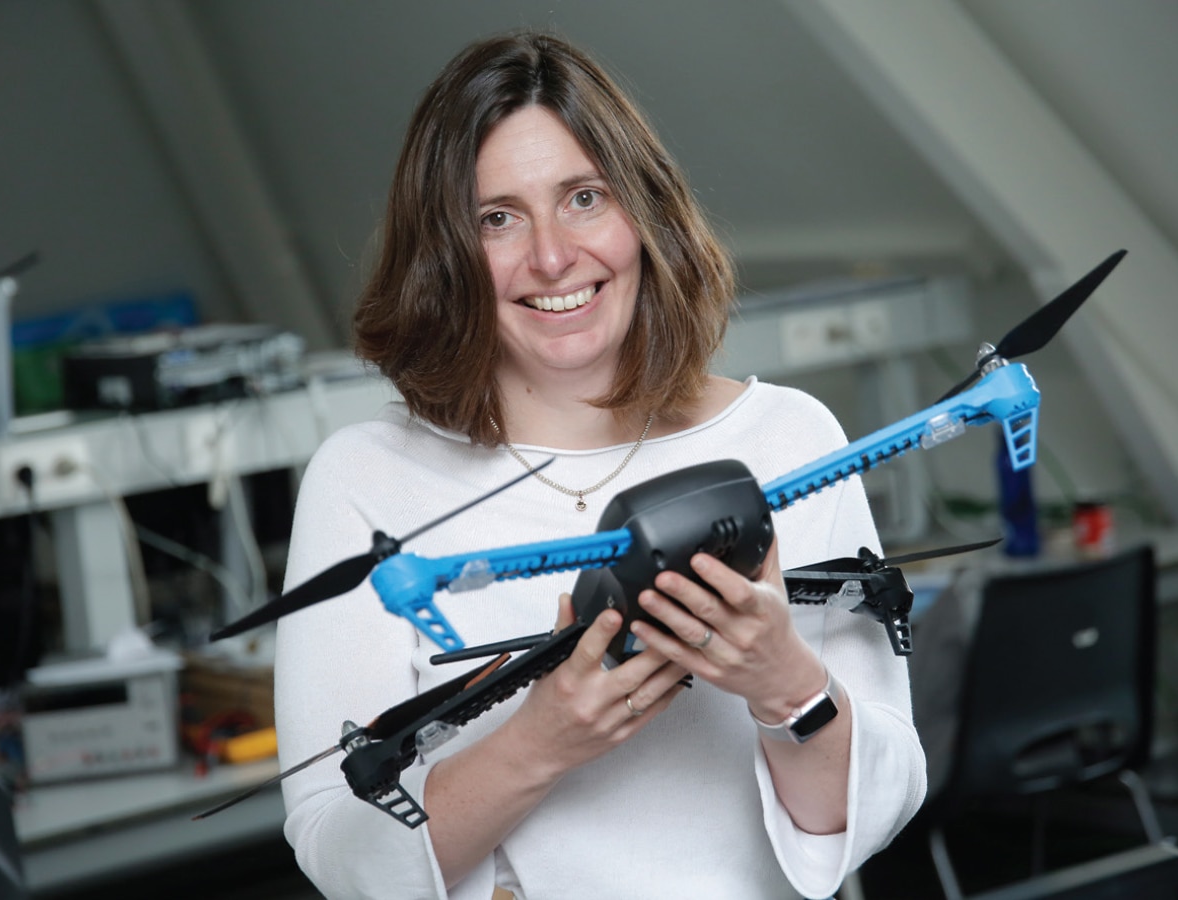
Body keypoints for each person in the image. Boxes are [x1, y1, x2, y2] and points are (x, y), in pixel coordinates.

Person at [274, 31, 926, 899]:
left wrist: (784, 684)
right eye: (496, 217)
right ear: (446, 255)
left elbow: (858, 824)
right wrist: (541, 742)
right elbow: (335, 848)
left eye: (584, 198)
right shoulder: (363, 482)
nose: (551, 257)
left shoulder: (787, 438)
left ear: (644, 213)